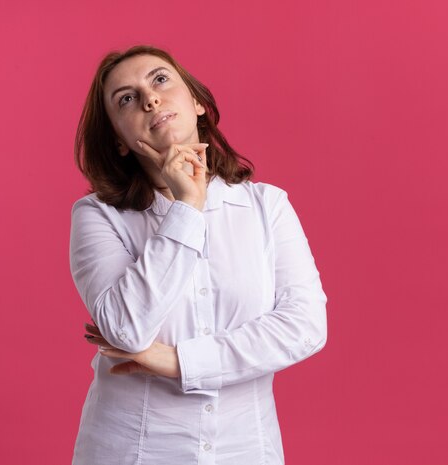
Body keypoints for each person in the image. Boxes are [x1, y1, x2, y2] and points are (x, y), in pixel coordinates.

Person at [69, 44, 328, 465]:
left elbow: (305, 326)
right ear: (119, 140)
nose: (150, 98)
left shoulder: (268, 206)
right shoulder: (97, 216)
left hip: (246, 450)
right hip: (132, 451)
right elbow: (125, 329)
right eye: (127, 99)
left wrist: (178, 362)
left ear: (196, 102)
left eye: (159, 80)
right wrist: (187, 206)